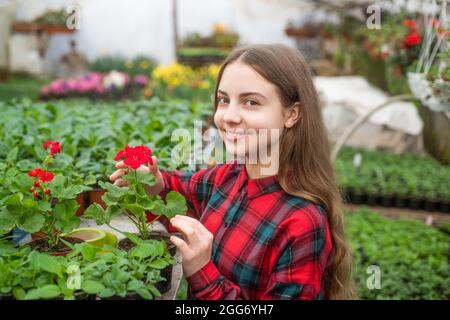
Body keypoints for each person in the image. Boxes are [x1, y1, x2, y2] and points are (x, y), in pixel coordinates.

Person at [110, 44, 355, 300]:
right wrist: (155, 182)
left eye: (251, 102)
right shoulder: (227, 176)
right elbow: (179, 186)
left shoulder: (302, 223)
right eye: (224, 100)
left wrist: (203, 271)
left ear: (292, 114)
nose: (229, 116)